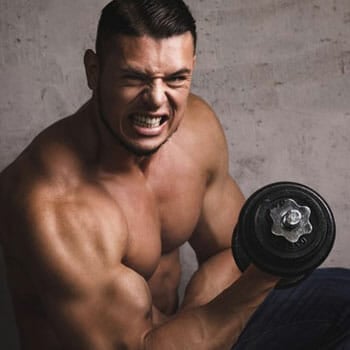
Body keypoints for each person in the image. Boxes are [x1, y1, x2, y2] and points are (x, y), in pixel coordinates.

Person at [0, 1, 349, 349]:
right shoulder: (50, 203)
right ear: (94, 70)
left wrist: (197, 319)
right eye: (135, 78)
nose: (156, 101)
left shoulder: (195, 131)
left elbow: (231, 249)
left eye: (176, 79)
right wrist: (267, 273)